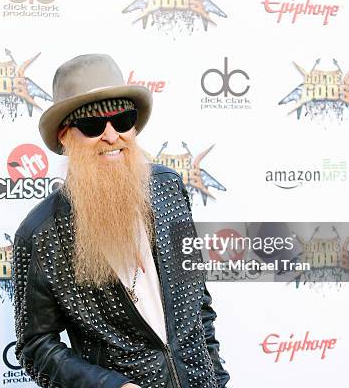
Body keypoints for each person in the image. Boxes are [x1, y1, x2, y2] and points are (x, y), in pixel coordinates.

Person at [12, 53, 229, 388]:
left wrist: (217, 378)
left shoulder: (169, 189)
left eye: (123, 119)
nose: (111, 135)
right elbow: (35, 346)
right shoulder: (40, 234)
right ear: (65, 137)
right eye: (92, 125)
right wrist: (108, 386)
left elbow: (197, 303)